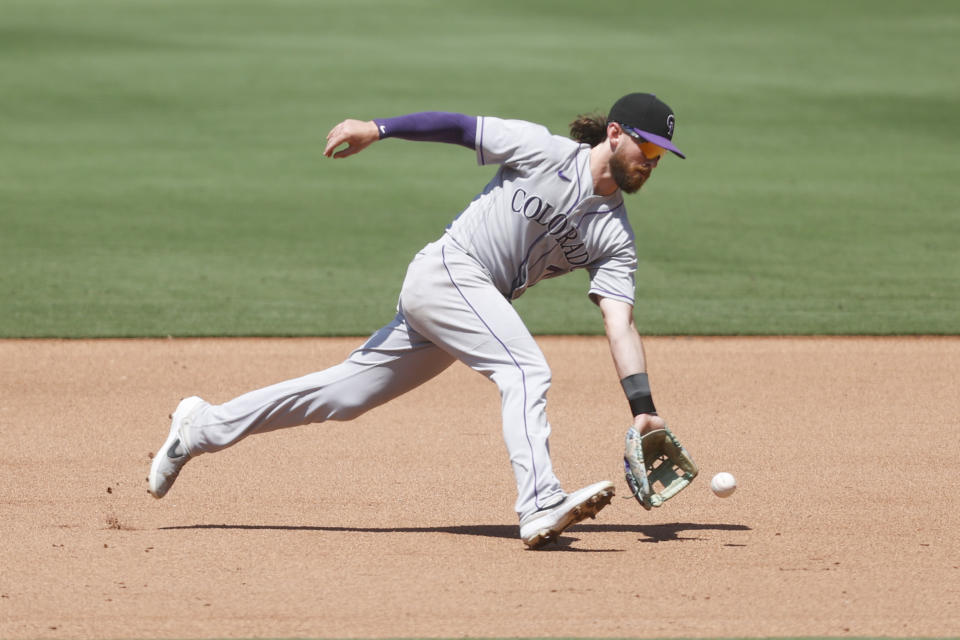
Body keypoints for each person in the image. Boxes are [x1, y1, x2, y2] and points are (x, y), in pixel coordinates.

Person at [148, 92, 686, 549]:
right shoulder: (543, 150)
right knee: (525, 370)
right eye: (648, 147)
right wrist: (377, 129)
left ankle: (199, 428)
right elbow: (459, 127)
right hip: (449, 272)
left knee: (342, 397)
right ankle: (540, 501)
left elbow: (621, 321)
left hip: (467, 303)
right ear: (614, 134)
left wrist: (644, 410)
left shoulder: (616, 238)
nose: (652, 162)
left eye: (661, 156)